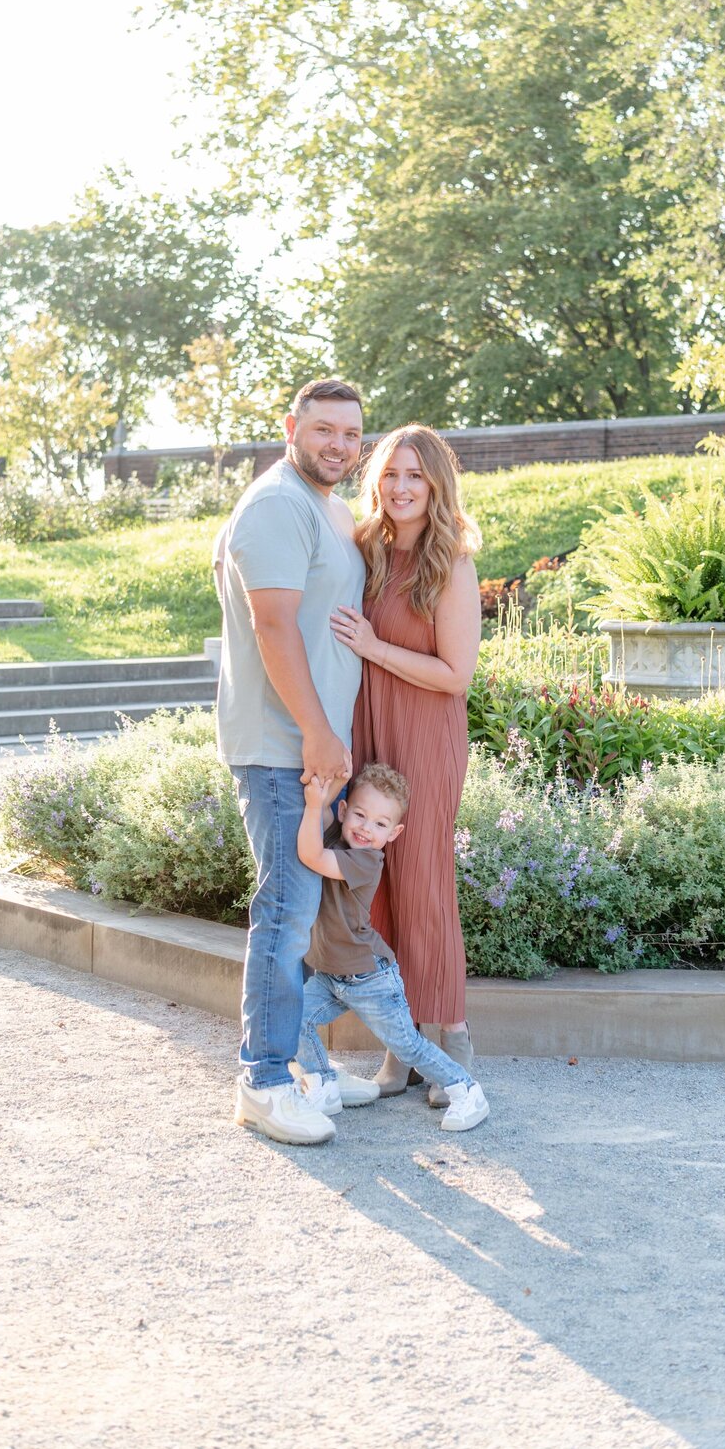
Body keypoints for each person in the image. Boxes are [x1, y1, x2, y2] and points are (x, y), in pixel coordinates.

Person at [217, 376, 373, 1146]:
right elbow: (272, 627)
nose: (338, 445)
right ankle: (264, 1079)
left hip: (314, 749)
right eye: (324, 430)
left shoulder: (318, 506)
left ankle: (303, 1061)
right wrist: (317, 732)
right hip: (285, 751)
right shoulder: (278, 505)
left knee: (305, 916)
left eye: (351, 434)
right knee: (283, 917)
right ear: (291, 427)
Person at [330, 424, 483, 1102]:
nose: (400, 487)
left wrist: (372, 646)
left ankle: (453, 1041)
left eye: (415, 475)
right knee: (379, 889)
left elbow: (456, 675)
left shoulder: (452, 560)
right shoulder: (365, 549)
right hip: (371, 730)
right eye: (391, 473)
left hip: (426, 735)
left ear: (436, 484)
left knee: (423, 884)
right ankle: (401, 1048)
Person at [293, 764, 489, 1134]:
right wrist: (324, 791)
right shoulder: (340, 835)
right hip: (332, 974)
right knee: (295, 1017)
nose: (367, 829)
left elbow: (312, 857)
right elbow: (323, 835)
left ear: (394, 833)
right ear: (344, 810)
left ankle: (466, 1090)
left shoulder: (367, 860)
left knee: (409, 1047)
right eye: (361, 815)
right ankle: (322, 1086)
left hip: (370, 978)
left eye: (380, 824)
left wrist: (312, 804)